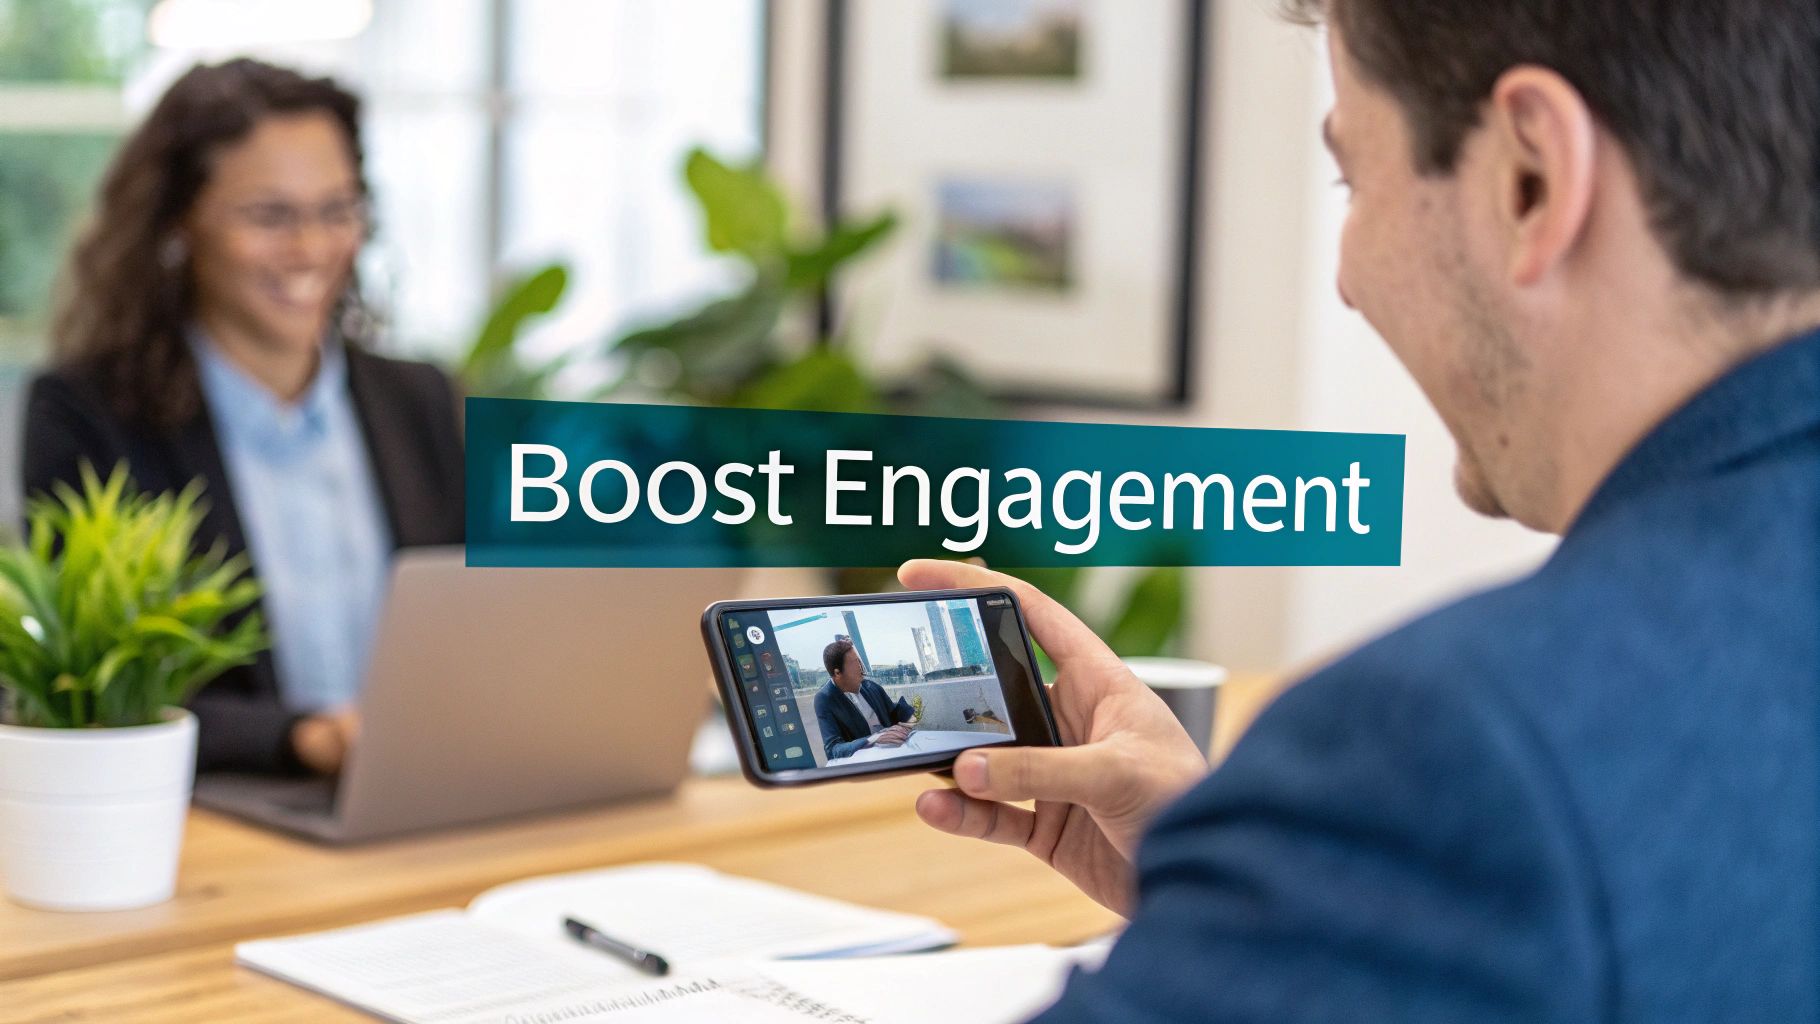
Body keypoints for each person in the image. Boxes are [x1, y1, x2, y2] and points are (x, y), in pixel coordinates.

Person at [900, 1, 1820, 1020]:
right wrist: (1259, 897)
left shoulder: (1454, 752)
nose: (1344, 279)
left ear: (1530, 179)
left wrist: (1324, 864)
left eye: (1353, 177)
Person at [22, 59, 464, 777]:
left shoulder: (419, 400)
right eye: (270, 216)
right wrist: (305, 738)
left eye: (337, 209)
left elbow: (478, 631)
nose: (313, 249)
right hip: (233, 818)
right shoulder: (90, 413)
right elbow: (90, 685)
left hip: (425, 791)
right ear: (179, 223)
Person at [813, 639, 917, 761]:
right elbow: (833, 750)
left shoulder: (870, 686)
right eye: (855, 662)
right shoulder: (824, 698)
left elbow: (900, 715)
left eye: (859, 660)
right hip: (866, 764)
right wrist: (874, 739)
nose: (861, 666)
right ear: (837, 673)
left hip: (896, 752)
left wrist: (906, 726)